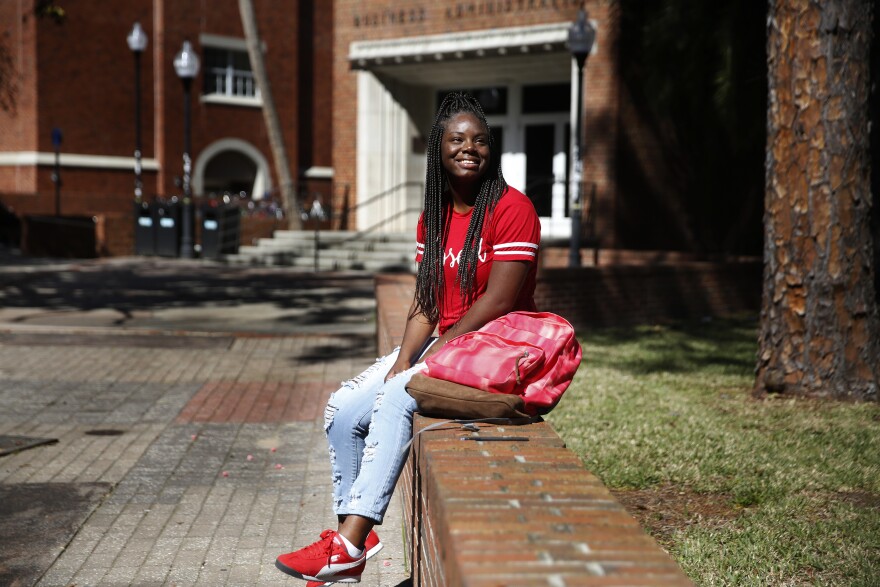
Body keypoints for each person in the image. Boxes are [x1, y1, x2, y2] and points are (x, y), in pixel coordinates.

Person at [275, 92, 541, 585]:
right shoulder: (434, 217)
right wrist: (404, 358)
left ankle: (350, 543)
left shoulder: (512, 208)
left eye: (480, 140)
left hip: (497, 351)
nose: (470, 148)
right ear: (438, 150)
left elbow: (499, 301)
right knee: (343, 409)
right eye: (457, 139)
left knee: (400, 395)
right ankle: (349, 544)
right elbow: (425, 302)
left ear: (492, 149)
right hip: (452, 345)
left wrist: (429, 359)